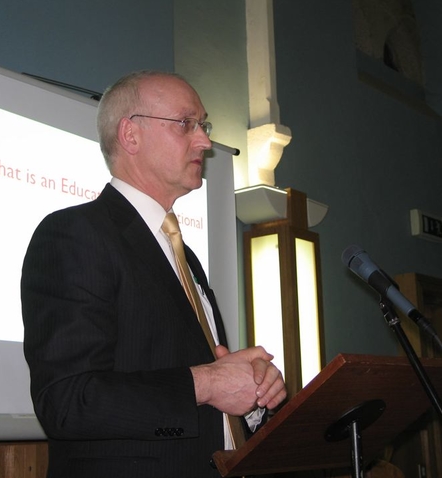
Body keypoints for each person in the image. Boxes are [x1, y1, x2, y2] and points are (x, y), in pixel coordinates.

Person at [21, 70, 287, 478]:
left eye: (204, 125)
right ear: (130, 135)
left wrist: (250, 395)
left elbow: (195, 390)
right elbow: (68, 402)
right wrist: (209, 383)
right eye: (186, 124)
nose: (204, 141)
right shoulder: (74, 234)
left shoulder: (186, 255)